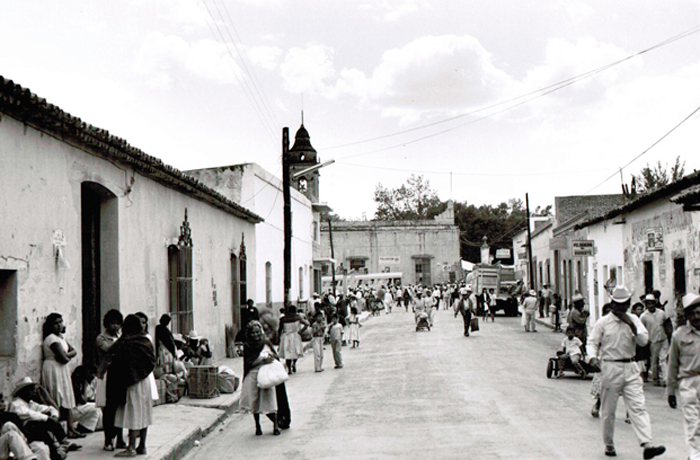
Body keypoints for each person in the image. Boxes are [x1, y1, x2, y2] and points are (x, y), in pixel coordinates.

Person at [586, 285, 665, 459]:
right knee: (608, 410)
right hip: (610, 367)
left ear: (628, 304)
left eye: (624, 304)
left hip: (630, 366)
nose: (621, 308)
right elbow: (592, 342)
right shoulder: (603, 322)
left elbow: (644, 341)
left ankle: (647, 444)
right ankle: (609, 443)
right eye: (618, 304)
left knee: (638, 406)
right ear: (612, 304)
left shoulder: (634, 319)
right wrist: (592, 358)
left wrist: (631, 325)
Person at [107, 314, 156, 457]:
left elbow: (116, 358)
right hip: (144, 380)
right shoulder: (145, 341)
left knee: (133, 412)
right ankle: (142, 446)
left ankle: (131, 447)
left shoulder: (127, 343)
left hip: (132, 383)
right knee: (143, 412)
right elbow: (151, 361)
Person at [9, 377, 81, 460]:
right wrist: (47, 418)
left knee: (43, 423)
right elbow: (29, 414)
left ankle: (61, 443)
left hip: (33, 429)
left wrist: (53, 416)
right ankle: (56, 450)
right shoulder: (16, 404)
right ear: (24, 391)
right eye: (31, 390)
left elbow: (49, 408)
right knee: (38, 424)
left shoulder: (30, 403)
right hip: (23, 431)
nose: (34, 393)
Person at [666, 292, 700, 459]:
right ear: (686, 316)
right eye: (692, 314)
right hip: (688, 383)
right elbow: (672, 364)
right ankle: (695, 455)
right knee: (693, 420)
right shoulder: (679, 335)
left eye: (699, 312)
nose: (696, 317)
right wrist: (671, 391)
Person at [39, 314, 82, 440]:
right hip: (53, 368)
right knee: (57, 396)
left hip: (62, 369)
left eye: (60, 322)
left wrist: (65, 354)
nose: (59, 325)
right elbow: (63, 358)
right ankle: (61, 431)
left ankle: (70, 428)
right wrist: (65, 356)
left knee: (66, 397)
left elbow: (74, 351)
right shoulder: (51, 339)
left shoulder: (61, 338)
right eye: (55, 323)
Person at [240, 321, 282, 436]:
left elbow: (275, 356)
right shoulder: (248, 346)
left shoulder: (265, 342)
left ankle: (275, 425)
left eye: (257, 332)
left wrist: (270, 359)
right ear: (249, 334)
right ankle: (257, 426)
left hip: (266, 374)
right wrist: (261, 361)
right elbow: (248, 363)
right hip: (253, 374)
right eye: (253, 333)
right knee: (255, 401)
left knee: (270, 399)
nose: (255, 335)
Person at [95, 309, 125, 451]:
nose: (116, 326)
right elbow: (108, 350)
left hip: (119, 374)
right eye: (113, 323)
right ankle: (108, 440)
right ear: (107, 324)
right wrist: (121, 341)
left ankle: (120, 438)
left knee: (120, 408)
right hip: (106, 375)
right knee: (109, 409)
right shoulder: (102, 338)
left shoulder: (119, 336)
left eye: (118, 323)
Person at [640, 294, 669, 387]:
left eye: (652, 303)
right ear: (646, 305)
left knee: (663, 359)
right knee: (654, 361)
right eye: (649, 304)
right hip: (653, 341)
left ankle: (665, 379)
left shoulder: (661, 313)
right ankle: (655, 379)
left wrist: (669, 334)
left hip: (663, 338)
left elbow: (667, 324)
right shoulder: (644, 316)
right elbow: (642, 329)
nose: (651, 305)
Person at [69, 366, 101, 434]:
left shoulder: (79, 383)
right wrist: (85, 386)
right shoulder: (74, 384)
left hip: (77, 409)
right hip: (72, 411)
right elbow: (83, 401)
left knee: (98, 411)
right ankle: (84, 427)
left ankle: (85, 426)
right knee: (95, 407)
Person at [277, 305, 309, 374]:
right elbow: (307, 324)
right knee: (295, 352)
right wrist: (301, 331)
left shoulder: (283, 319)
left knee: (287, 353)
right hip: (295, 336)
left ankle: (289, 369)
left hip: (286, 336)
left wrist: (279, 339)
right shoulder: (297, 318)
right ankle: (294, 363)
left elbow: (279, 330)